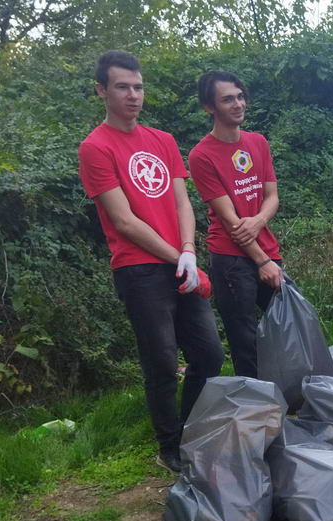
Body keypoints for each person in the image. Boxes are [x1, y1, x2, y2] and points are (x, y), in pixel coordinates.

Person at [78, 51, 224, 474]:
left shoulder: (161, 140)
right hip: (139, 269)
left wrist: (190, 250)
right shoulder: (95, 147)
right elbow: (123, 220)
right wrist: (178, 256)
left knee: (209, 354)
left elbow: (182, 200)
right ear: (102, 91)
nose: (132, 95)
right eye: (122, 87)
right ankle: (170, 444)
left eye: (138, 87)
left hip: (182, 260)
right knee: (160, 360)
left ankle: (193, 428)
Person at [189, 71, 284, 378]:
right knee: (245, 339)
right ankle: (257, 413)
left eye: (240, 96)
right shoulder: (201, 155)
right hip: (231, 259)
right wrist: (262, 261)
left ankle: (290, 397)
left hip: (267, 248)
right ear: (209, 107)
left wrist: (258, 220)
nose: (237, 104)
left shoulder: (258, 142)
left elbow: (272, 196)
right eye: (227, 99)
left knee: (284, 325)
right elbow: (231, 222)